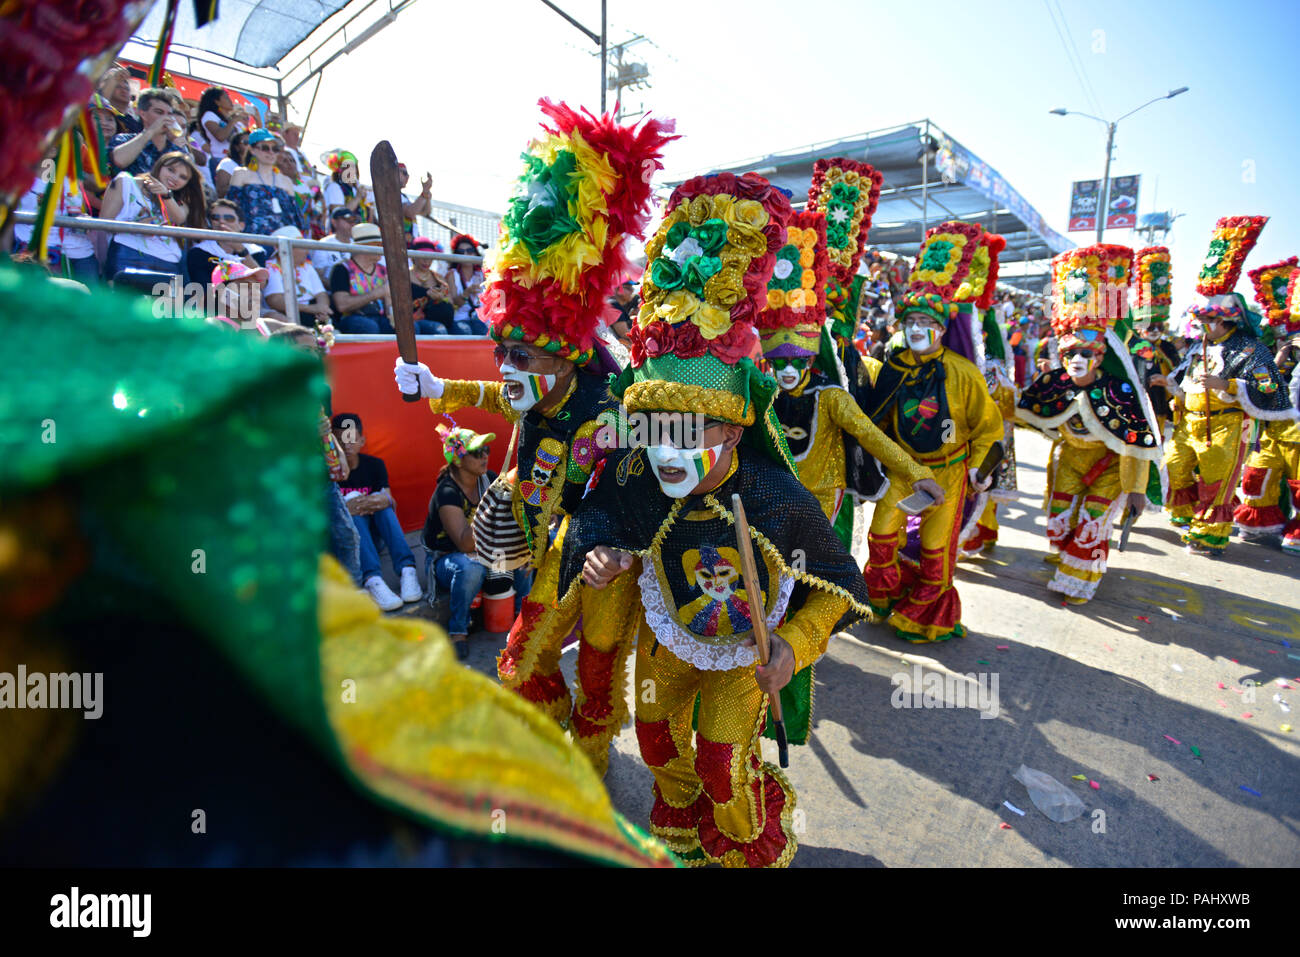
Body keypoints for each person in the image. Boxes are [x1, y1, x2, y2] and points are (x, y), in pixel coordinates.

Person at [559, 169, 872, 868]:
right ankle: (680, 814)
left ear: (732, 431)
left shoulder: (773, 499)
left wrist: (793, 643)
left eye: (689, 430)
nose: (665, 450)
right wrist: (602, 554)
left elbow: (840, 585)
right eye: (655, 427)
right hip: (670, 641)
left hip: (742, 655)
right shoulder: (640, 469)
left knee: (723, 764)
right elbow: (599, 517)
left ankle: (736, 829)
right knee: (656, 741)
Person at [395, 100, 674, 776]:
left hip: (608, 550)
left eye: (526, 357)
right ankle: (551, 744)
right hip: (555, 544)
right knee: (524, 658)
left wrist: (618, 546)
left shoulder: (612, 402)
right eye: (505, 353)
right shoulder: (535, 390)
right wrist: (436, 386)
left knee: (603, 663)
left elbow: (648, 481)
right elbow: (504, 399)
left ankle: (591, 757)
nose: (510, 369)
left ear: (566, 358)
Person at [756, 207, 941, 553]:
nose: (787, 370)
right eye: (778, 361)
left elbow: (871, 437)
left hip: (825, 501)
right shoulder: (764, 393)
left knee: (820, 578)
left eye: (797, 360)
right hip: (776, 499)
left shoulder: (830, 397)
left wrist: (917, 473)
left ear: (812, 357)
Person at [858, 221, 1003, 643]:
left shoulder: (963, 372)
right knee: (881, 535)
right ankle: (883, 596)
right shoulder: (894, 367)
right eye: (911, 320)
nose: (917, 328)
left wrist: (980, 469)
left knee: (938, 549)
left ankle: (925, 613)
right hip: (904, 470)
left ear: (941, 328)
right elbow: (876, 421)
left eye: (926, 321)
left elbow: (989, 428)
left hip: (949, 472)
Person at [1016, 245, 1162, 602]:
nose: (1078, 359)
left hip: (1109, 465)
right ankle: (1069, 558)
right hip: (1069, 459)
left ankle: (1078, 578)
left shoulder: (1119, 389)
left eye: (1087, 353)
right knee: (1061, 512)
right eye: (1071, 353)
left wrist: (1137, 490)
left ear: (1100, 356)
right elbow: (1022, 414)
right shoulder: (1053, 384)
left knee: (1093, 521)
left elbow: (1137, 444)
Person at [1165, 217, 1292, 556]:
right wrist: (1170, 384)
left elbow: (1269, 387)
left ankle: (1209, 535)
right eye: (1201, 320)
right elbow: (1185, 375)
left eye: (1208, 320)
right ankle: (1191, 516)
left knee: (1215, 484)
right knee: (1175, 468)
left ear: (1227, 319)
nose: (1202, 325)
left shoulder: (1250, 349)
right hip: (1187, 422)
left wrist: (1229, 384)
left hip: (1225, 425)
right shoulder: (1199, 345)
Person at [422, 424, 532, 659]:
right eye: (476, 452)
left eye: (486, 450)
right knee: (471, 567)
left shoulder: (489, 479)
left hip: (483, 548)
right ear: (458, 461)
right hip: (447, 558)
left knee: (522, 556)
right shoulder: (447, 492)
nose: (484, 457)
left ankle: (524, 621)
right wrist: (492, 508)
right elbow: (464, 544)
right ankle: (458, 631)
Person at [1232, 256, 1300, 550]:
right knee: (1256, 477)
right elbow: (1267, 387)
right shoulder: (1273, 356)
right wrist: (1280, 359)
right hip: (1274, 429)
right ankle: (1259, 524)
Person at [331, 413, 423, 611]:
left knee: (385, 508)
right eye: (340, 440)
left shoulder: (374, 465)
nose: (347, 444)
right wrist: (353, 506)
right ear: (332, 445)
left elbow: (388, 499)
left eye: (351, 438)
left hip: (377, 537)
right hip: (352, 546)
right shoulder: (331, 474)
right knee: (350, 512)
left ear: (362, 440)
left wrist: (363, 503)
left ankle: (407, 570)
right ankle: (372, 579)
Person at [100, 152, 205, 281]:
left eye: (183, 177)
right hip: (128, 253)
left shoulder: (180, 200)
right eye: (171, 170)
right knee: (123, 299)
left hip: (167, 261)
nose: (175, 177)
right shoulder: (126, 182)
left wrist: (166, 195)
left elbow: (179, 218)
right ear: (159, 166)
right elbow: (104, 222)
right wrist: (136, 227)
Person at [225, 130, 306, 236]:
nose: (271, 152)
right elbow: (232, 209)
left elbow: (294, 217)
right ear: (252, 150)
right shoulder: (241, 174)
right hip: (252, 239)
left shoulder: (285, 180)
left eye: (275, 149)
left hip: (282, 241)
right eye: (265, 148)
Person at [186, 199, 267, 301]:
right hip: (214, 308)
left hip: (250, 308)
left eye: (229, 218)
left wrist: (241, 250)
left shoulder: (256, 251)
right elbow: (203, 292)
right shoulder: (198, 252)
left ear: (241, 225)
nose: (222, 221)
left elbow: (261, 285)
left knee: (274, 316)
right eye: (215, 217)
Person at [108, 87, 188, 177]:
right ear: (143, 114)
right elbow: (118, 161)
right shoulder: (124, 139)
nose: (166, 118)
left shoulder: (177, 151)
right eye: (159, 112)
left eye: (169, 114)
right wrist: (151, 131)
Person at [264, 225, 331, 326]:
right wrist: (310, 309)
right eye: (302, 247)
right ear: (289, 249)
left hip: (312, 312)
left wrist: (323, 309)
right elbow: (275, 301)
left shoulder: (307, 266)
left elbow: (321, 293)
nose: (307, 251)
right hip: (289, 314)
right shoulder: (271, 268)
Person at [194, 86, 248, 181]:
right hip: (220, 160)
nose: (230, 100)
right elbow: (220, 136)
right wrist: (233, 121)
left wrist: (256, 118)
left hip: (237, 161)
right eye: (226, 98)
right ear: (217, 101)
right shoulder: (209, 115)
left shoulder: (230, 119)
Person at [408, 237, 457, 334]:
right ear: (413, 256)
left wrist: (440, 298)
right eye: (423, 256)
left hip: (442, 320)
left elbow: (450, 303)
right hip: (415, 321)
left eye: (430, 257)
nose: (426, 261)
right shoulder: (404, 276)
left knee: (464, 330)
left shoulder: (438, 278)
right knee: (439, 330)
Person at [443, 232, 488, 334]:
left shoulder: (483, 274)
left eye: (470, 251)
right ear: (456, 255)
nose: (465, 255)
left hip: (480, 318)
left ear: (476, 253)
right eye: (461, 252)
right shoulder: (452, 274)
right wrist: (467, 293)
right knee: (466, 331)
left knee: (483, 329)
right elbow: (455, 304)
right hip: (460, 319)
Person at [321, 149, 369, 222]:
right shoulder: (334, 187)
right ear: (340, 171)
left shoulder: (355, 189)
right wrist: (358, 197)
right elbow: (339, 215)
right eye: (345, 167)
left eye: (352, 167)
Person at [312, 206, 357, 279]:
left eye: (353, 220)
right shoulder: (324, 244)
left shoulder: (357, 244)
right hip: (333, 288)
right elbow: (319, 276)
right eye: (348, 220)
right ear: (334, 222)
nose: (352, 224)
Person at [98, 66, 141, 133]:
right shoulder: (106, 115)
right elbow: (103, 98)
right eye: (118, 87)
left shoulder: (135, 122)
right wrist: (114, 78)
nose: (124, 91)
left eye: (127, 89)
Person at [213, 130, 249, 198]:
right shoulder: (227, 163)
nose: (250, 146)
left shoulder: (255, 165)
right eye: (246, 142)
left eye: (253, 143)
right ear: (236, 147)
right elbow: (221, 191)